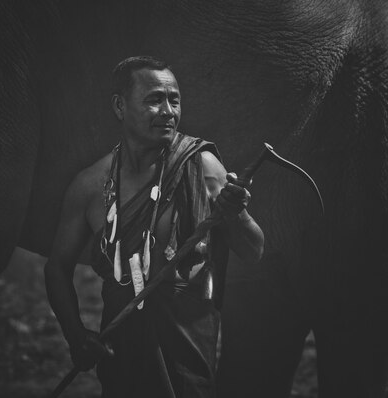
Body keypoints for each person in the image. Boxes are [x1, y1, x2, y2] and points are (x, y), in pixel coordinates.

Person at [44, 56, 264, 397]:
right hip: (121, 357)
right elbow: (57, 267)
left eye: (174, 100)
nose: (168, 111)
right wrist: (75, 334)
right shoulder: (90, 186)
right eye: (154, 99)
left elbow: (253, 251)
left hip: (188, 353)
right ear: (119, 106)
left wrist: (239, 214)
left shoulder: (202, 167)